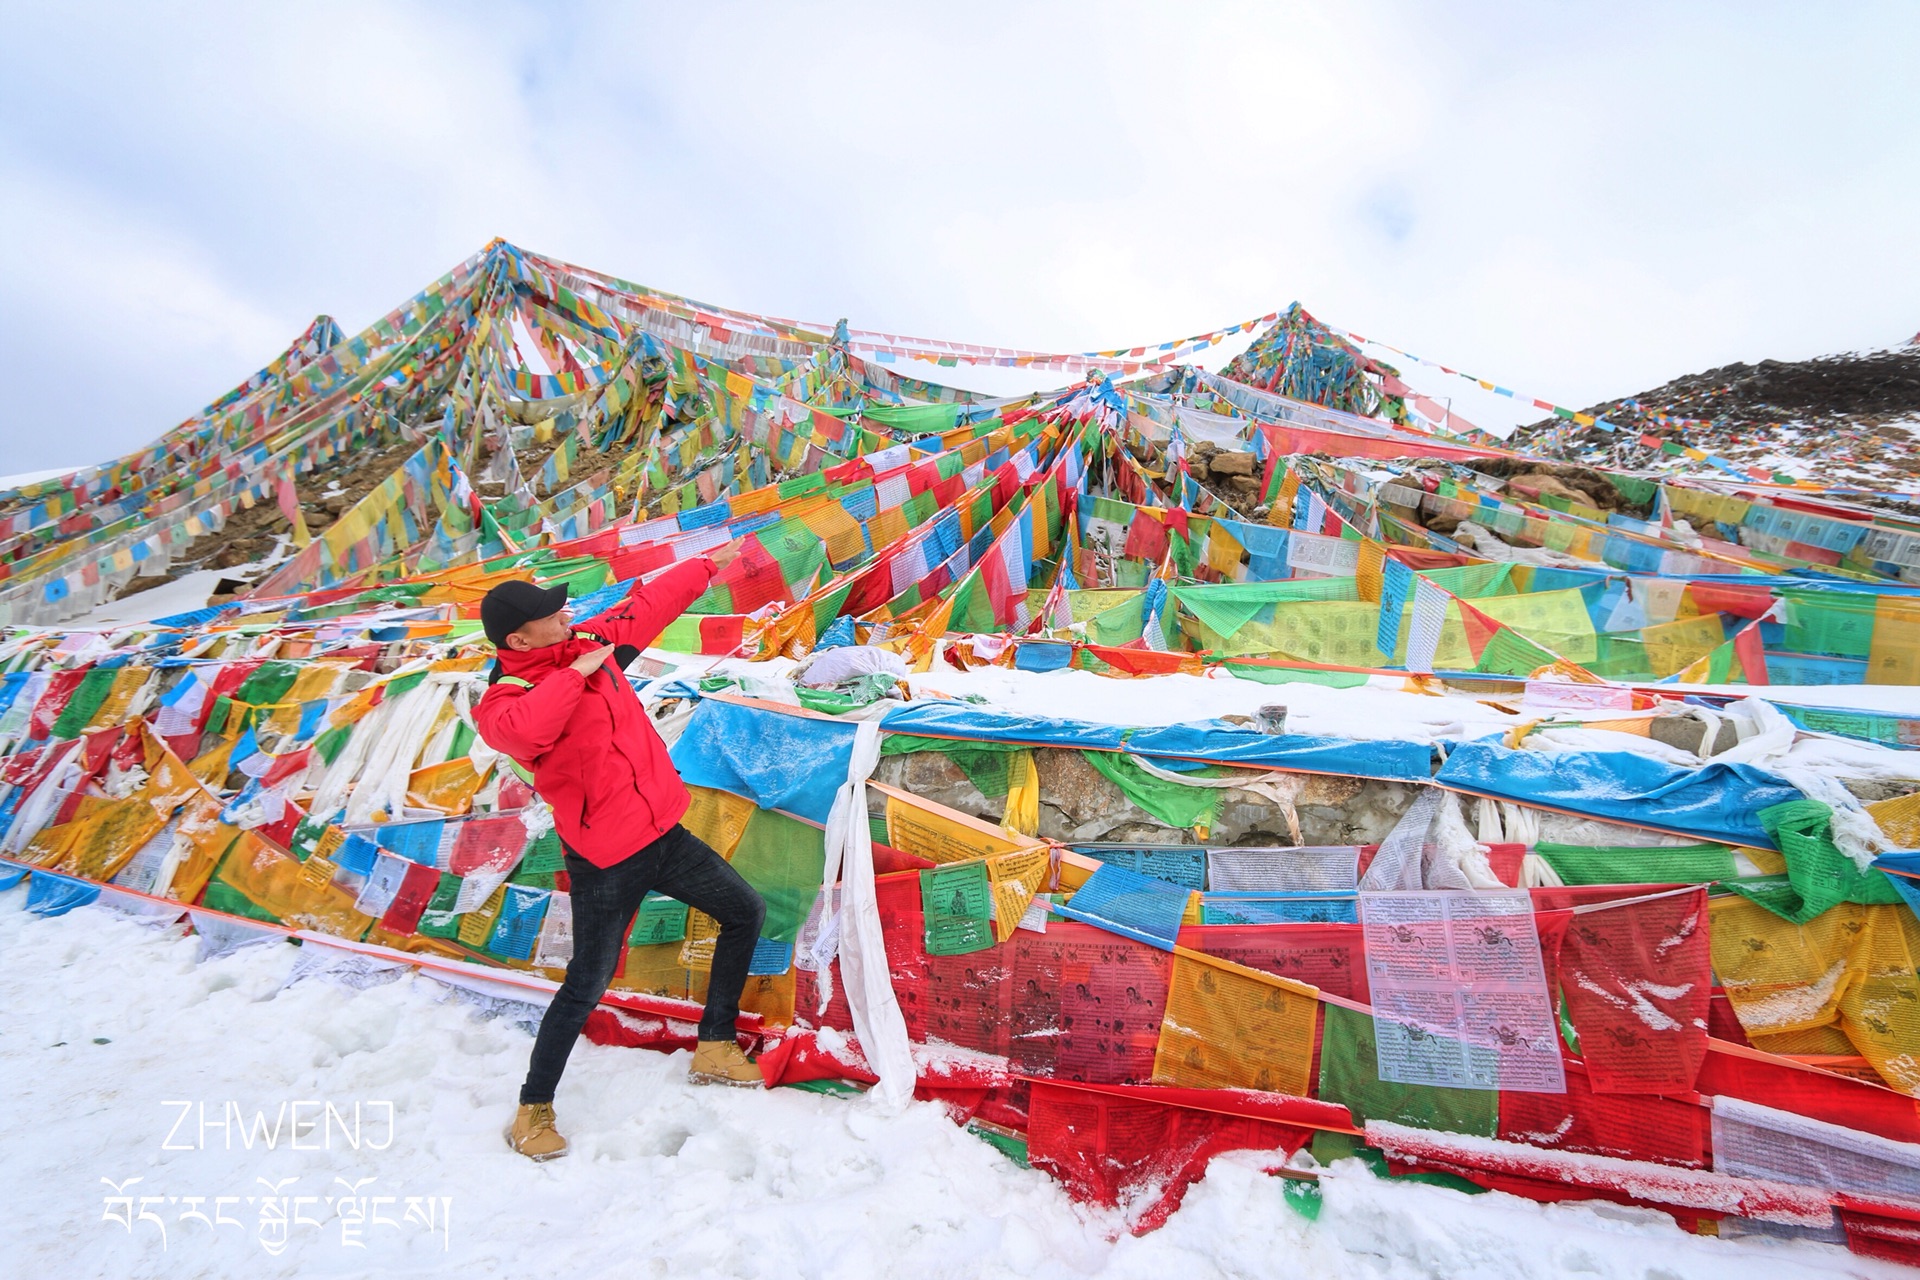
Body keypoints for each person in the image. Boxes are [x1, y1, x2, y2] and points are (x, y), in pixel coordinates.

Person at [475, 554, 766, 1162]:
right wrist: (573, 675)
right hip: (606, 857)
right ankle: (532, 1110)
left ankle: (714, 1044)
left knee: (744, 912)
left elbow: (649, 606)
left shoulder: (593, 643)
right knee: (588, 982)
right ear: (517, 639)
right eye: (550, 616)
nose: (566, 616)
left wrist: (708, 564)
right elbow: (527, 732)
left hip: (664, 833)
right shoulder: (506, 699)